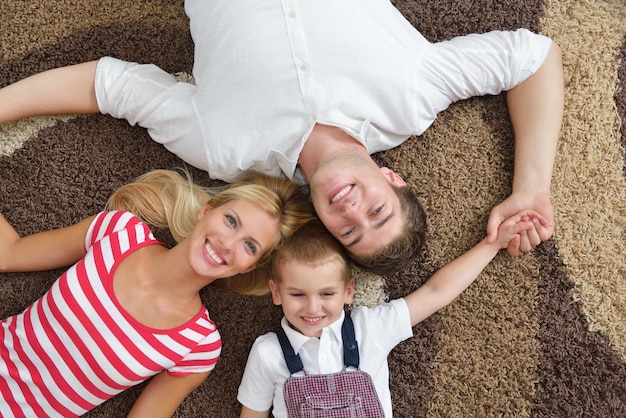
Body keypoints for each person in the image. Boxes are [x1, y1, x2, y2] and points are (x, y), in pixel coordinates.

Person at [0, 0, 564, 275]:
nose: (354, 211)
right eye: (378, 210)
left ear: (324, 223)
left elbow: (111, 85)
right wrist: (531, 187)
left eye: (348, 230)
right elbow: (533, 59)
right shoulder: (414, 96)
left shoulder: (224, 151)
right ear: (393, 179)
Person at [0, 169, 313, 417]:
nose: (227, 244)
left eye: (249, 246)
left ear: (249, 267)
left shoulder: (199, 347)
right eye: (230, 221)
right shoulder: (118, 231)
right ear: (207, 212)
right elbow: (9, 254)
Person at [236, 212, 547, 417]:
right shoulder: (268, 353)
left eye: (327, 294)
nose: (313, 308)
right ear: (276, 292)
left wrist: (492, 245)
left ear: (348, 292)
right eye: (297, 294)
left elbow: (436, 292)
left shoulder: (370, 328)